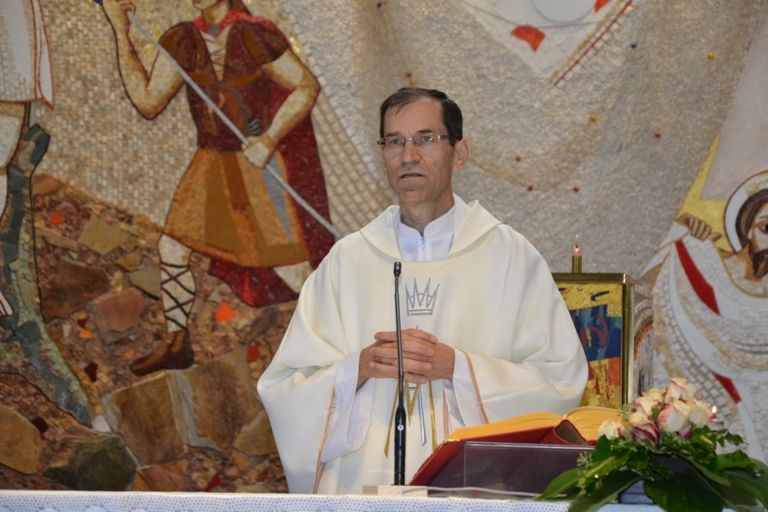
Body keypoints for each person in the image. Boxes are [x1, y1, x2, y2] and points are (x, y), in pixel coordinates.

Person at [257, 87, 588, 494]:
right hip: (365, 489)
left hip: (473, 489)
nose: (408, 155)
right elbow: (286, 388)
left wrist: (458, 368)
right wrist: (358, 368)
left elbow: (560, 380)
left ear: (459, 153)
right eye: (394, 142)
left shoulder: (510, 258)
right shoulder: (348, 261)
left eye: (425, 138)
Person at [102, 0, 334, 375]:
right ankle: (178, 343)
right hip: (210, 161)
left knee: (290, 266)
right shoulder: (184, 39)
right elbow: (147, 101)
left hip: (252, 165)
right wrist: (120, 31)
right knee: (172, 247)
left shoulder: (252, 34)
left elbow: (305, 87)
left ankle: (342, 341)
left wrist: (269, 138)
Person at [643, 170, 768, 460]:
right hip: (723, 410)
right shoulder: (701, 263)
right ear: (746, 228)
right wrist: (681, 230)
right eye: (767, 228)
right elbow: (641, 291)